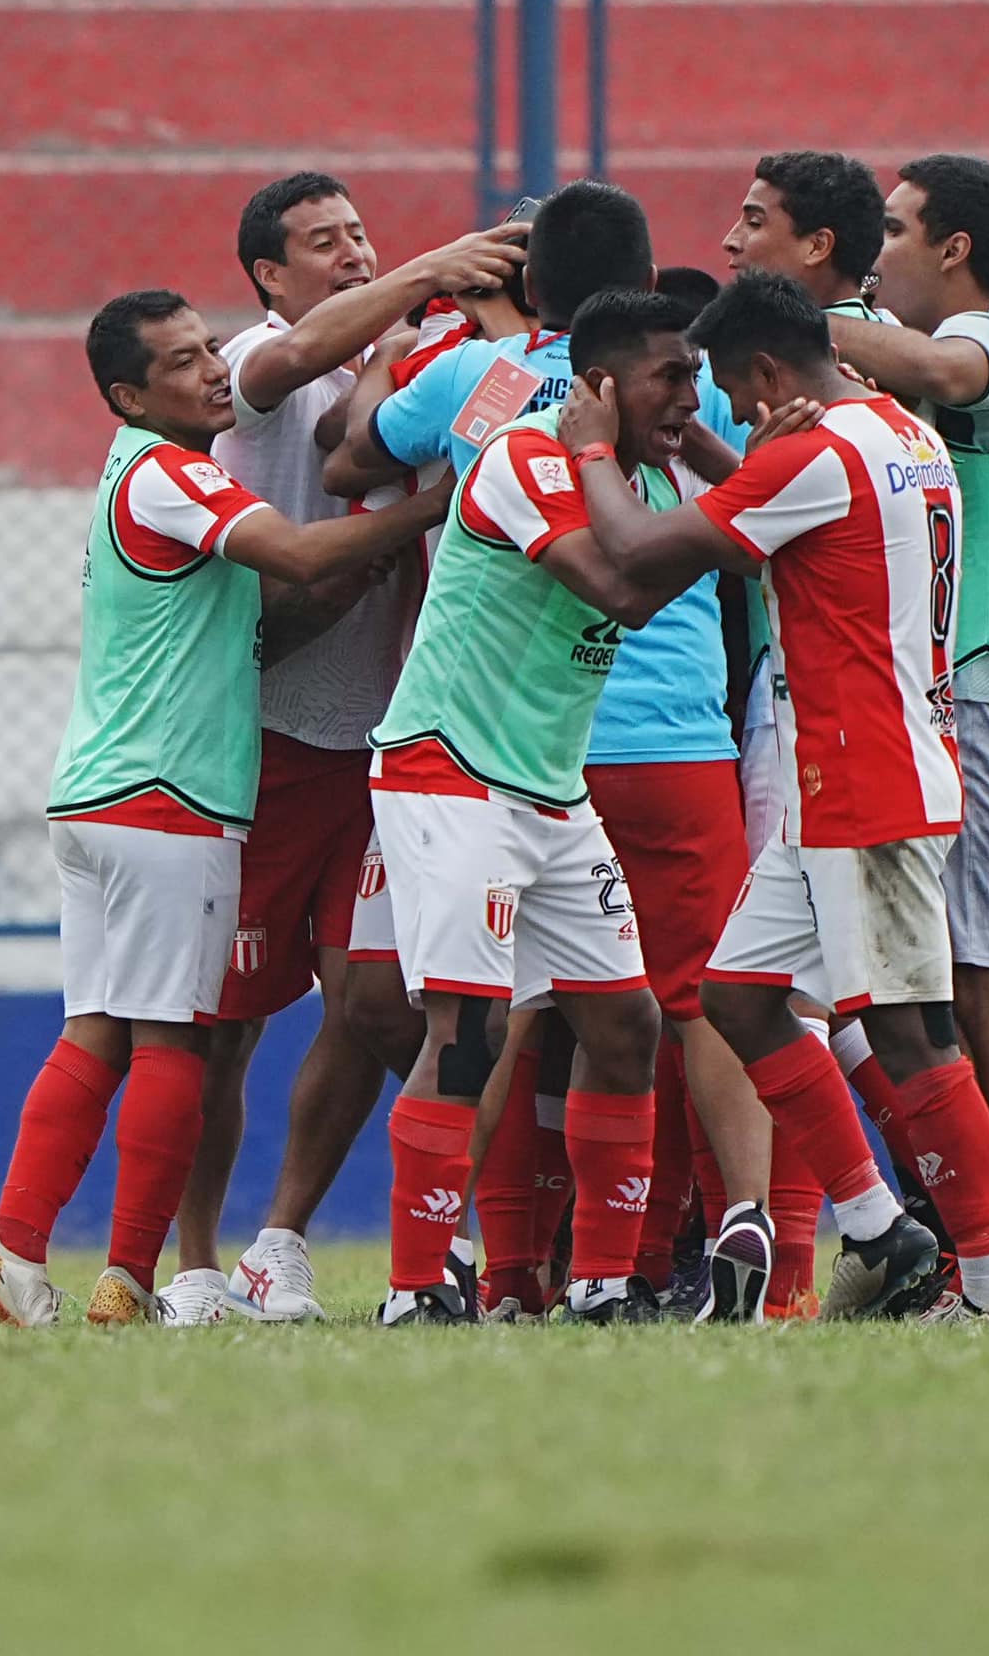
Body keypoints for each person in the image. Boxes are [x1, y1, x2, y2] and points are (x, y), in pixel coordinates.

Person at [0, 291, 449, 1327]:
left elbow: (261, 612)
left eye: (211, 347)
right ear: (132, 395)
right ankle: (131, 1279)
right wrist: (439, 505)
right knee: (177, 1041)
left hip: (98, 791)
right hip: (167, 798)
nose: (214, 369)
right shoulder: (177, 472)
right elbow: (304, 557)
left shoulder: (131, 473)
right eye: (182, 362)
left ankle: (15, 1248)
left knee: (97, 1034)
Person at [327, 188, 775, 1324]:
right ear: (606, 386)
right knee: (471, 1031)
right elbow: (622, 585)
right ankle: (415, 1285)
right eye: (674, 380)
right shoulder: (534, 458)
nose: (692, 395)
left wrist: (696, 454)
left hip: (548, 787)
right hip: (451, 775)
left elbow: (744, 534)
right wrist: (622, 457)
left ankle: (602, 1280)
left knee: (623, 1023)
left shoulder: (651, 469)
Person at [557, 270, 989, 1323]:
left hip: (869, 779)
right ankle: (878, 1224)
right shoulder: (899, 434)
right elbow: (777, 513)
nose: (722, 406)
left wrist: (592, 446)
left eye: (729, 386)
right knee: (738, 996)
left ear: (769, 368)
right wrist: (718, 451)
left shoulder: (817, 456)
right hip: (847, 777)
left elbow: (638, 563)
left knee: (914, 1032)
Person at [151, 174, 528, 1327]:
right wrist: (431, 271)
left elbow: (463, 442)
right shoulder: (262, 359)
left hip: (386, 737)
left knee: (368, 1001)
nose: (355, 254)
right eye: (324, 243)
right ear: (270, 275)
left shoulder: (414, 363)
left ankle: (283, 1244)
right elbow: (313, 406)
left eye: (363, 234)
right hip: (260, 737)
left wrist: (485, 348)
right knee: (225, 1024)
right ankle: (196, 1264)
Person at [810, 155, 989, 1315]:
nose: (878, 252)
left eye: (893, 230)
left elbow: (935, 364)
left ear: (955, 249)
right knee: (948, 975)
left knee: (984, 975)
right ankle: (982, 1242)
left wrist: (812, 309)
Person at [722, 150, 888, 325]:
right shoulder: (895, 334)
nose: (729, 242)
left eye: (755, 223)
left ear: (817, 246)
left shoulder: (769, 346)